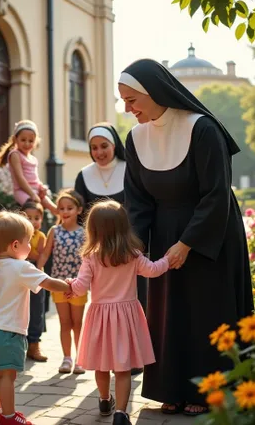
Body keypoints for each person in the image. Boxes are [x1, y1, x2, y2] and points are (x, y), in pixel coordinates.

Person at [118, 59, 254, 416]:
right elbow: (137, 198)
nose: (128, 109)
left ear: (153, 93)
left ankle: (209, 390)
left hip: (211, 233)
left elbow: (216, 193)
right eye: (124, 102)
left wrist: (188, 242)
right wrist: (134, 245)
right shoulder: (135, 137)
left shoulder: (203, 129)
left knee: (206, 310)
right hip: (163, 234)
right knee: (166, 313)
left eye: (132, 100)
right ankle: (172, 387)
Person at [66, 200, 176, 425]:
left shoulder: (92, 256)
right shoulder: (132, 254)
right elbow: (154, 271)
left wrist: (68, 285)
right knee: (123, 368)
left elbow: (80, 286)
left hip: (100, 317)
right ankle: (122, 413)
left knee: (101, 364)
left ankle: (105, 400)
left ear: (93, 228)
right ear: (123, 225)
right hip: (127, 316)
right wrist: (168, 260)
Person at [0, 211, 70, 425]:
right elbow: (48, 283)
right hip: (7, 332)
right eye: (28, 241)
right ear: (16, 245)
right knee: (8, 376)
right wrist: (69, 286)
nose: (30, 246)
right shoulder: (21, 267)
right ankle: (9, 418)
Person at [75, 122, 148, 376]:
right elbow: (81, 213)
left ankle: (134, 358)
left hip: (129, 245)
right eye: (94, 147)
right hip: (100, 251)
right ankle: (106, 358)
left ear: (114, 146)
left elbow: (141, 204)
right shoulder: (84, 174)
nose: (99, 152)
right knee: (106, 309)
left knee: (134, 302)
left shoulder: (129, 169)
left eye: (104, 146)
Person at [37, 189, 86, 375]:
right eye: (61, 208)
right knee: (65, 323)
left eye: (70, 208)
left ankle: (80, 359)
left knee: (78, 323)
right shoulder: (54, 231)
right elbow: (45, 254)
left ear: (79, 210)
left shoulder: (84, 233)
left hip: (78, 285)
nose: (65, 211)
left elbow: (89, 259)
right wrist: (37, 273)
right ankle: (67, 358)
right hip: (57, 284)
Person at [0, 120, 57, 215]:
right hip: (22, 191)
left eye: (31, 141)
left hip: (35, 190)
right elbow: (20, 178)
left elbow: (35, 178)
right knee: (33, 210)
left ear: (35, 141)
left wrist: (41, 187)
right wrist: (32, 194)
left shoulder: (33, 159)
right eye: (23, 140)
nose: (27, 144)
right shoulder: (15, 154)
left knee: (55, 209)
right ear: (16, 140)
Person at [22, 200, 48, 362]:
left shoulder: (41, 236)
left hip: (36, 273)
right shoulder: (17, 234)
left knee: (37, 310)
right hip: (19, 273)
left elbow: (39, 256)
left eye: (36, 218)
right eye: (28, 218)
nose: (33, 221)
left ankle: (34, 344)